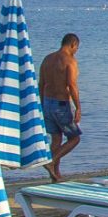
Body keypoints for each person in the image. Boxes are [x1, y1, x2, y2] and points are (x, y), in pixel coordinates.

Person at [38, 34, 83, 181]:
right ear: (73, 44)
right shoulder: (70, 61)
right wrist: (78, 107)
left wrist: (41, 104)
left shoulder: (47, 59)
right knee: (75, 138)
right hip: (61, 104)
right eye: (76, 48)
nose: (76, 51)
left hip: (47, 102)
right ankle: (50, 161)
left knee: (56, 139)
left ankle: (55, 174)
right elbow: (72, 85)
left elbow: (41, 84)